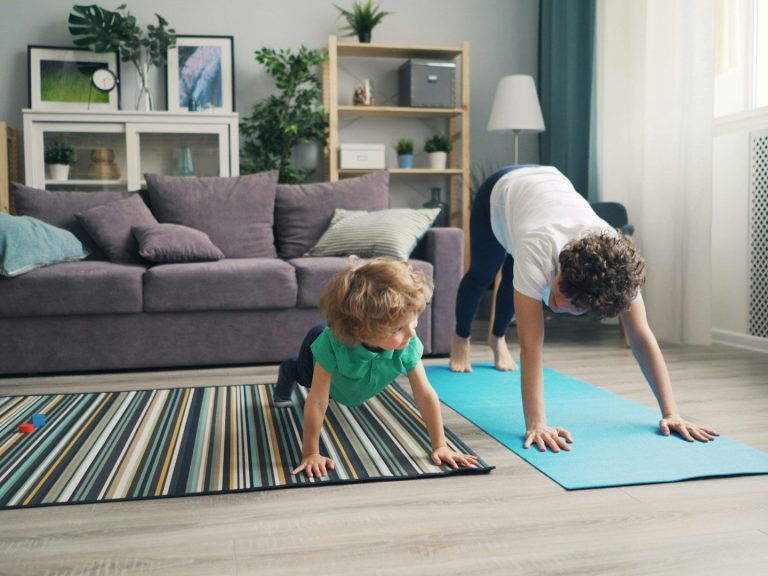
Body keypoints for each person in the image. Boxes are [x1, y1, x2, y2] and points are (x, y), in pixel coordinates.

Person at [450, 165, 718, 453]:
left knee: (517, 279)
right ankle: (460, 339)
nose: (558, 303)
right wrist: (537, 423)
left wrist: (671, 412)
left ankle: (497, 339)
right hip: (502, 189)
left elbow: (641, 337)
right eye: (561, 287)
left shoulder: (618, 272)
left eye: (574, 305)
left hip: (544, 194)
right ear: (563, 265)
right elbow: (531, 344)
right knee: (483, 273)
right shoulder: (539, 247)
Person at [274, 257, 479, 478]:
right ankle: (287, 369)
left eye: (413, 321)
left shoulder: (406, 343)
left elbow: (425, 395)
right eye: (399, 328)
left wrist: (441, 445)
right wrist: (310, 453)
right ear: (363, 332)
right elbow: (316, 400)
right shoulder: (330, 344)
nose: (411, 332)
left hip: (351, 372)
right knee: (301, 372)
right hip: (319, 358)